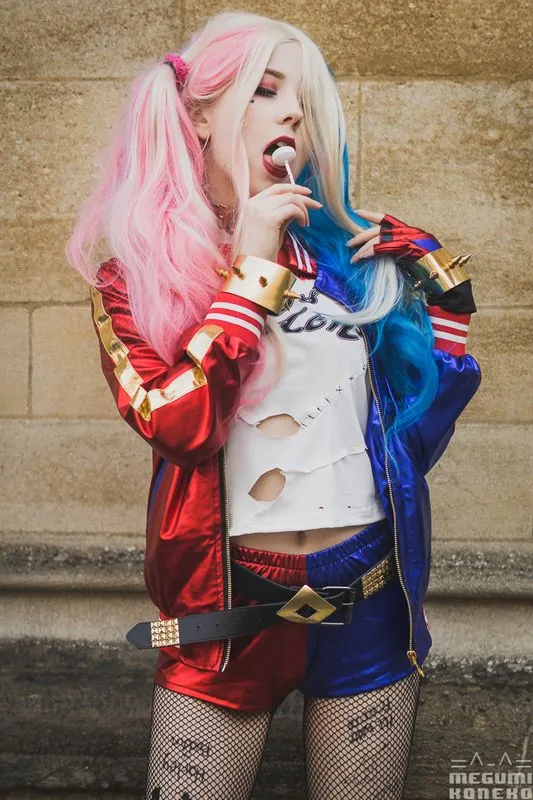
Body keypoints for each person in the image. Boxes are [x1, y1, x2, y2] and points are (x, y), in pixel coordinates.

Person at [65, 10, 481, 800]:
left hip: (368, 597)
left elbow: (409, 444)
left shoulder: (347, 267)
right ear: (197, 114)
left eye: (302, 98)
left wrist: (446, 308)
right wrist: (249, 271)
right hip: (227, 612)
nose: (292, 112)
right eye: (265, 89)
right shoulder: (133, 280)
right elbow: (177, 425)